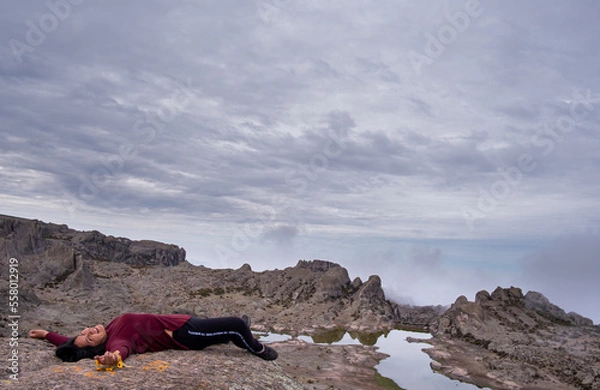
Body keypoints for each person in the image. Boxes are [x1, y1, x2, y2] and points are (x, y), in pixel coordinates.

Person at [29, 313, 278, 364]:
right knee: (235, 326)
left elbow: (69, 342)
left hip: (181, 321)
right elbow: (121, 350)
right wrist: (112, 359)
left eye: (84, 332)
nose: (88, 332)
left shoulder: (105, 328)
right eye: (90, 339)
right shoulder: (116, 339)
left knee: (224, 329)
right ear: (99, 347)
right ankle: (256, 349)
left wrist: (45, 334)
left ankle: (232, 335)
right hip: (185, 334)